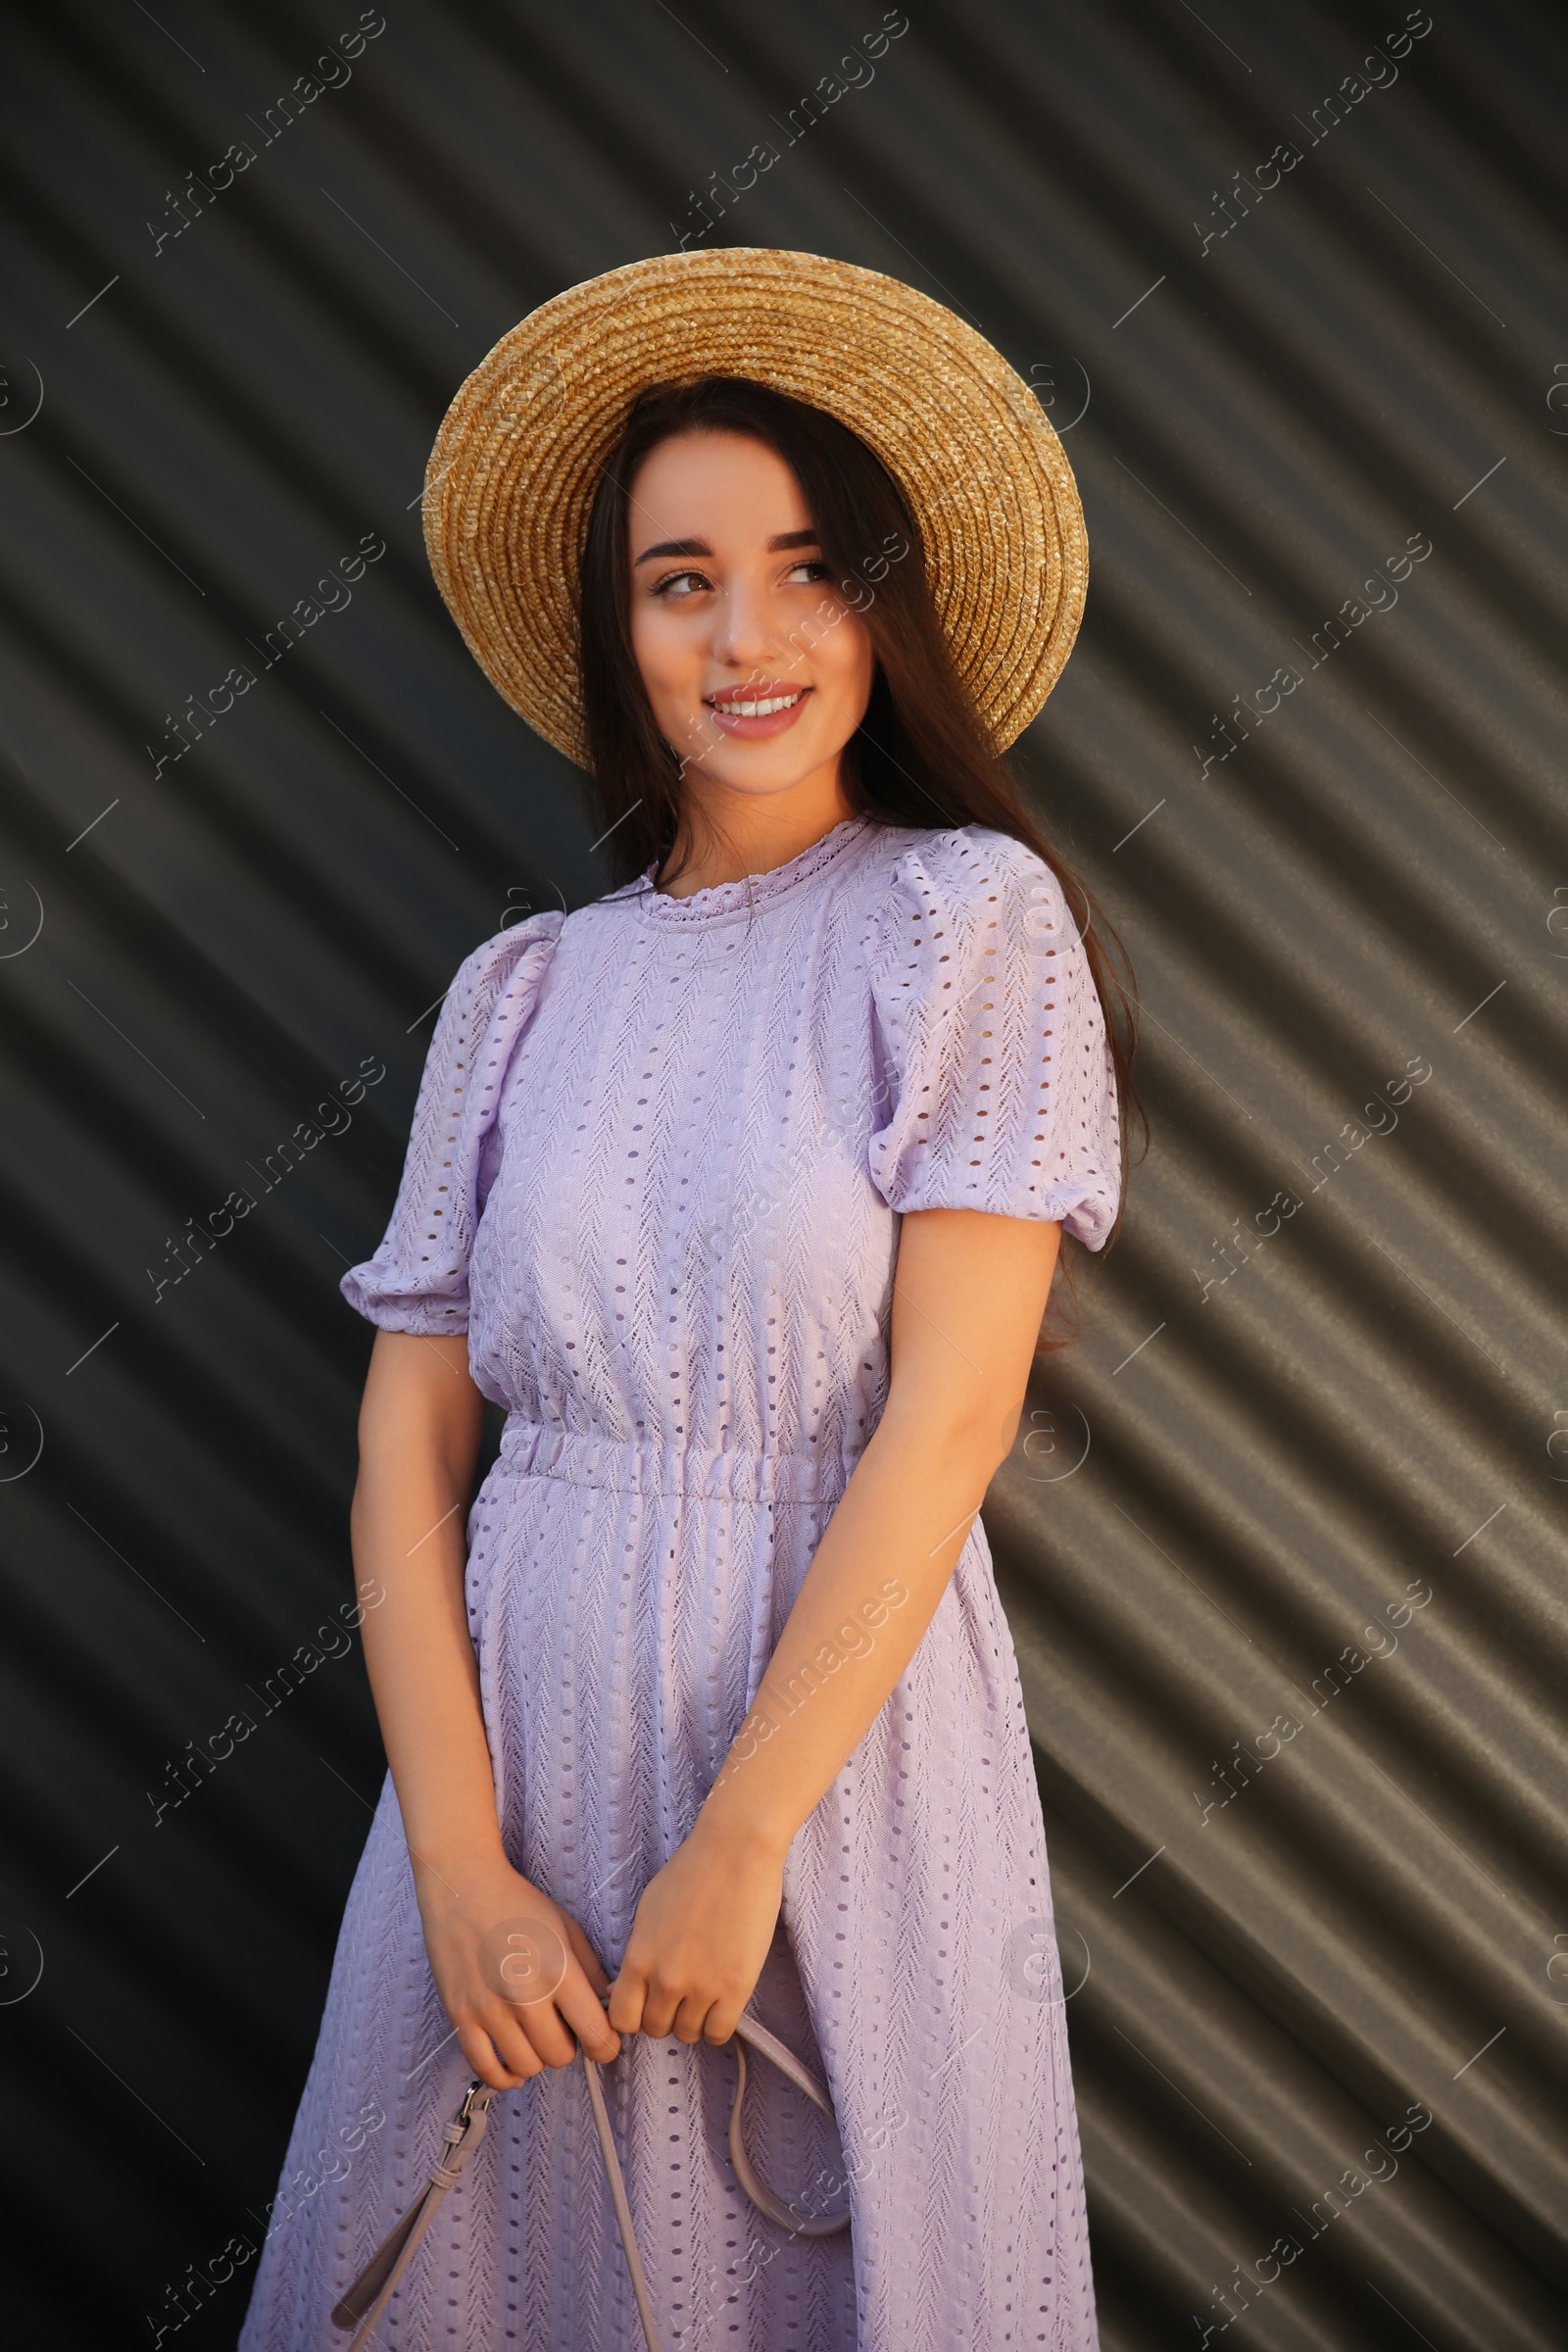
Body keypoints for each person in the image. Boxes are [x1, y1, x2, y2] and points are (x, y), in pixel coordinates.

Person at [238, 247, 1132, 2352]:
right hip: (506, 1770)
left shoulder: (958, 920)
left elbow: (944, 1418)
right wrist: (460, 1871)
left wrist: (743, 1844)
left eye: (808, 568)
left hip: (826, 1765)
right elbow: (402, 1446)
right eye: (677, 580)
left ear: (885, 607)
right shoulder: (522, 988)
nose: (746, 637)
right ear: (614, 628)